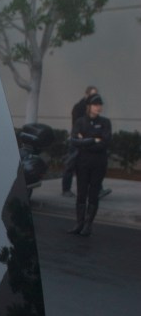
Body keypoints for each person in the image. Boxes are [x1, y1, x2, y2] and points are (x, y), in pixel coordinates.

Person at [68, 93, 112, 236]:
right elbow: (74, 140)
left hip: (98, 163)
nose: (98, 107)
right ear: (89, 106)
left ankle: (88, 225)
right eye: (95, 105)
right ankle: (79, 223)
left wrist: (85, 140)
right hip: (82, 163)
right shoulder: (80, 122)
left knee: (93, 194)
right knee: (81, 193)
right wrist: (94, 139)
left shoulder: (105, 122)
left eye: (100, 105)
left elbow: (105, 143)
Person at [62, 85, 111, 198]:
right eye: (93, 94)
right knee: (70, 164)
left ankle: (98, 190)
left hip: (88, 142)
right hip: (78, 141)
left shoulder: (97, 113)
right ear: (87, 94)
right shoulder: (79, 107)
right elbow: (77, 126)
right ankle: (66, 189)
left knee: (95, 165)